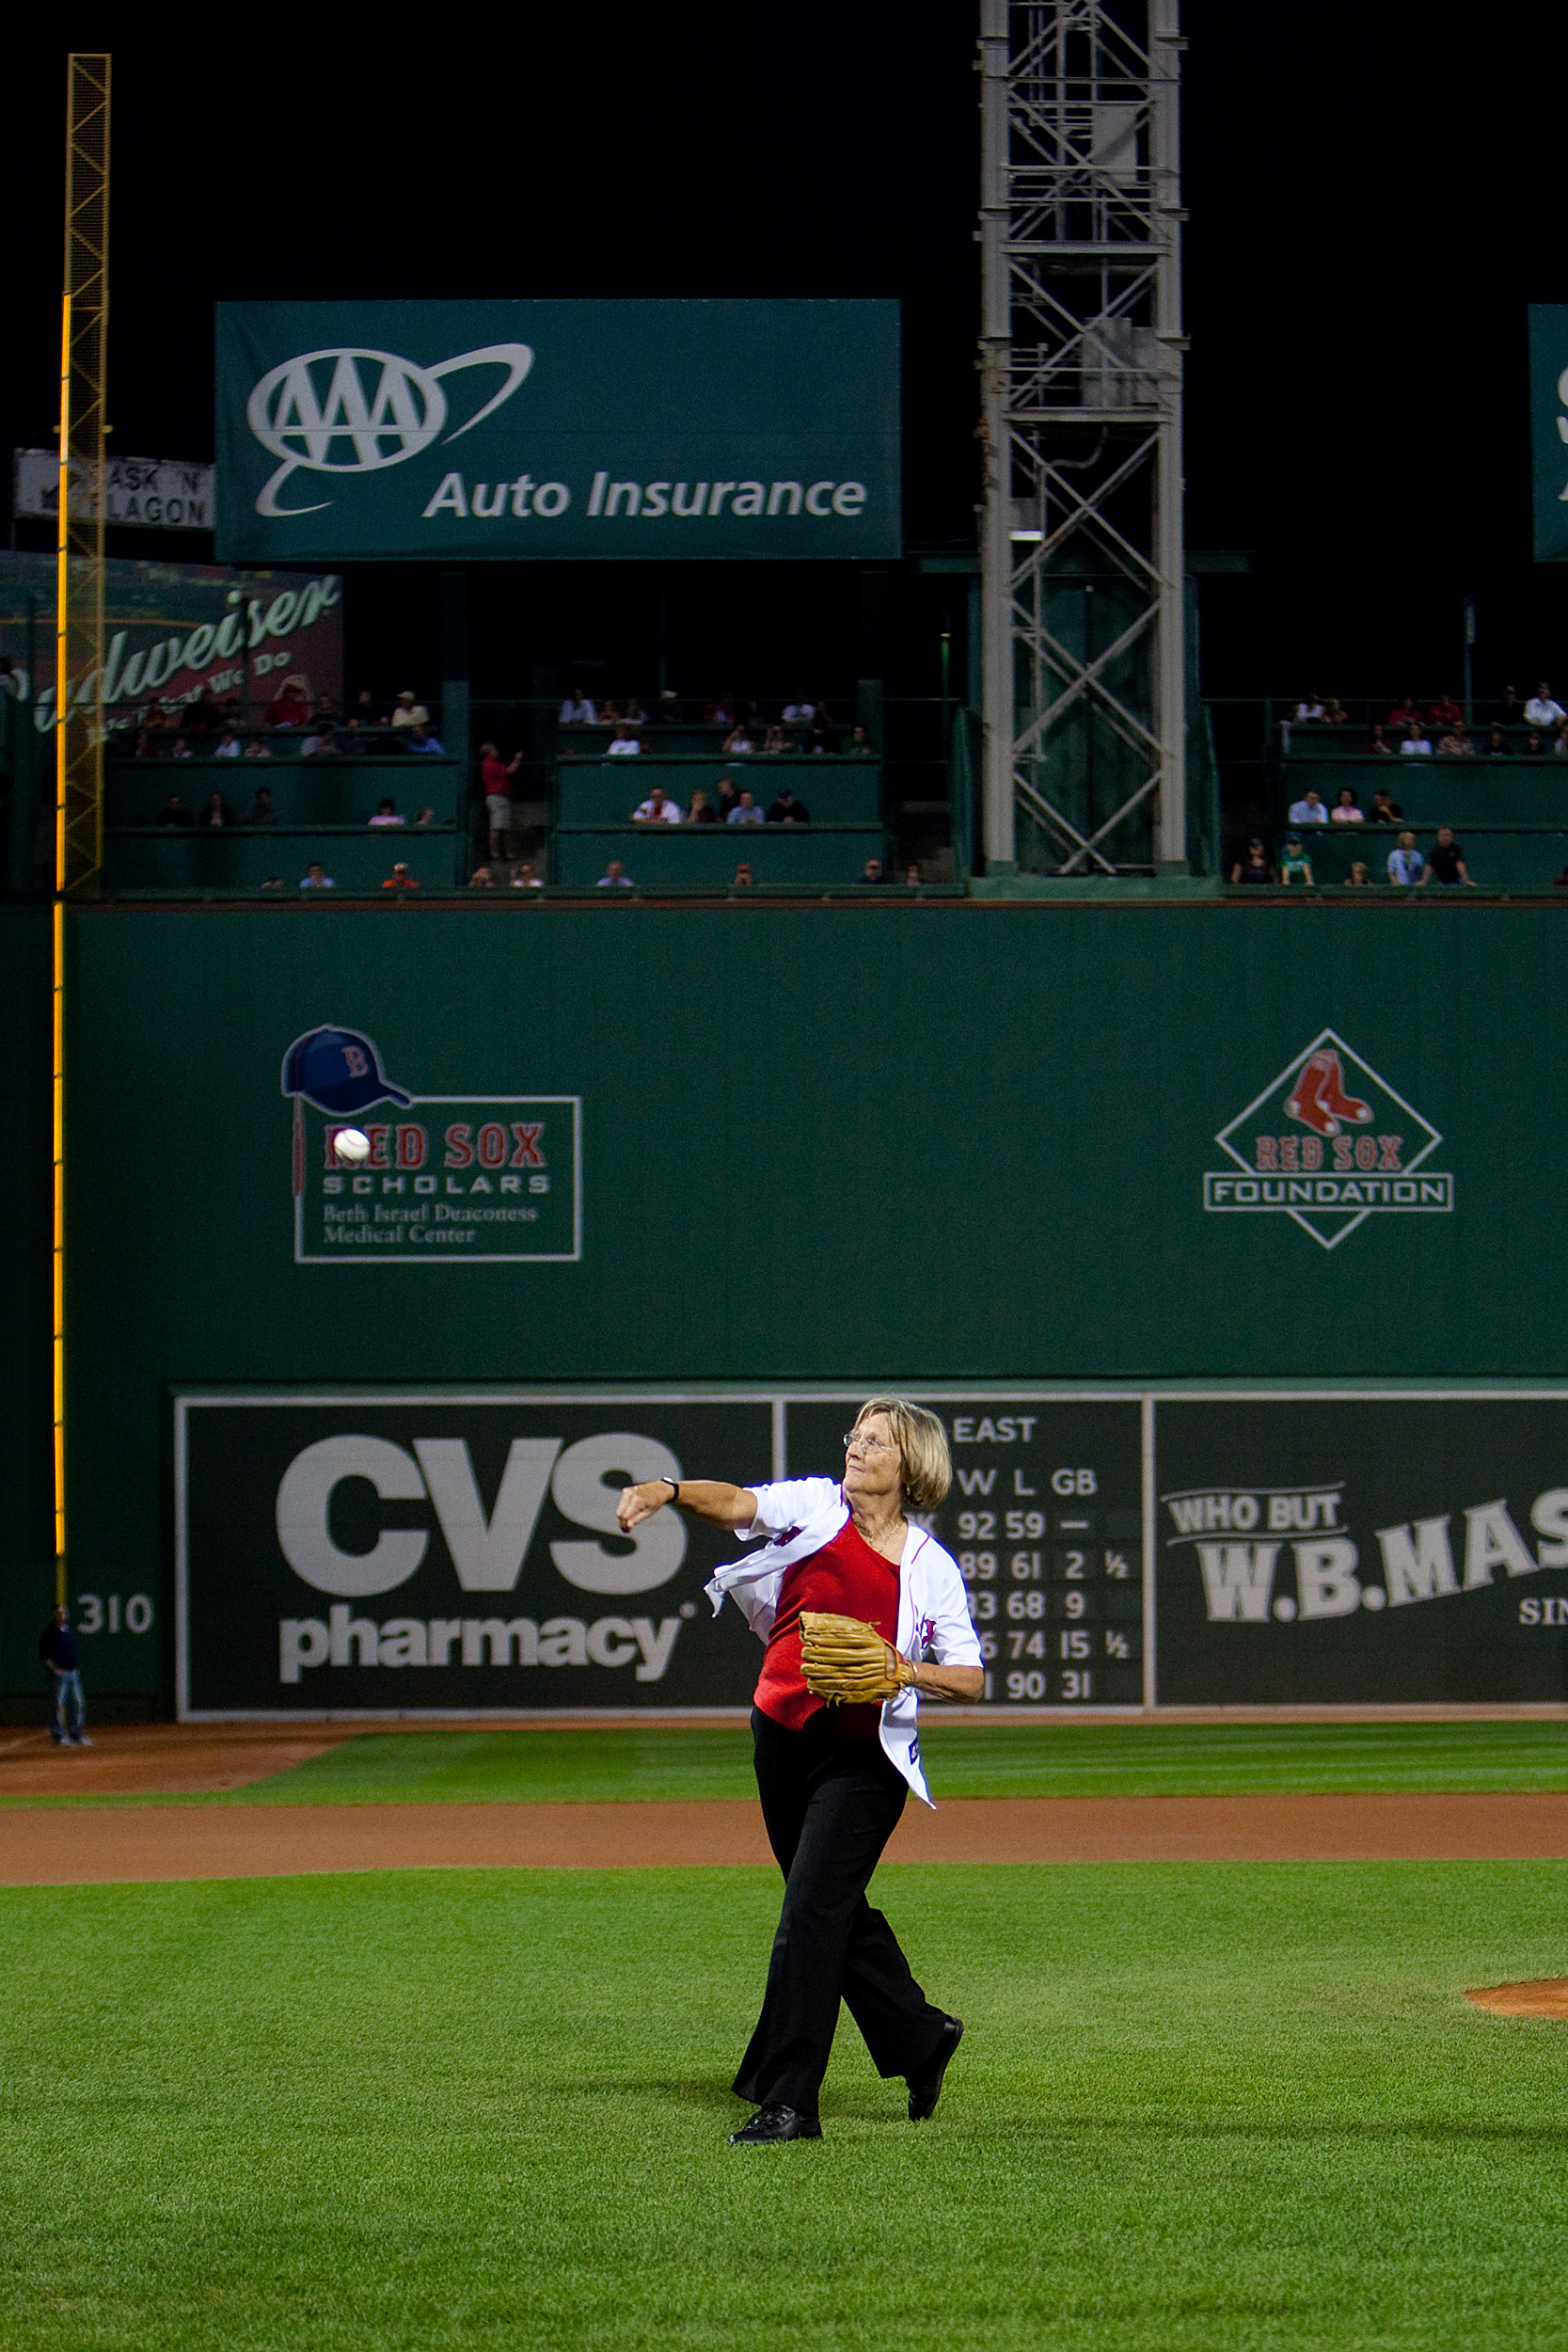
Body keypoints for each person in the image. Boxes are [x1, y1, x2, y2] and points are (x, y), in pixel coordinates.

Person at [615, 1400, 981, 2144]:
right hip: (780, 1736)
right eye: (855, 1435)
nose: (856, 1449)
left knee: (808, 1919)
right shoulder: (817, 1504)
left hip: (863, 1762)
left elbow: (969, 1677)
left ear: (909, 1466)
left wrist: (904, 1668)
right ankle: (919, 2036)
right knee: (828, 1909)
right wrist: (669, 1490)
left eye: (875, 1441)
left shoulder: (928, 1566)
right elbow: (738, 1505)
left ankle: (790, 2103)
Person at [40, 1603, 91, 1747]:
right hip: (59, 1676)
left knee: (77, 1704)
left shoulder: (69, 1631)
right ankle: (59, 1737)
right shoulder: (49, 1633)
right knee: (57, 1705)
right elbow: (45, 1656)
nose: (61, 1615)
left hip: (73, 1674)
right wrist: (55, 1669)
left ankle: (77, 1735)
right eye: (58, 1613)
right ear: (53, 1615)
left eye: (63, 1613)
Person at [481, 742, 522, 861]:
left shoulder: (494, 764)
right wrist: (517, 759)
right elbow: (510, 770)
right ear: (488, 753)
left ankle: (508, 853)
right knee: (496, 827)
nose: (496, 752)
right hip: (497, 798)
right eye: (494, 750)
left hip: (502, 798)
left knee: (504, 828)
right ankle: (495, 853)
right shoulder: (489, 764)